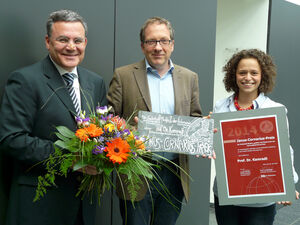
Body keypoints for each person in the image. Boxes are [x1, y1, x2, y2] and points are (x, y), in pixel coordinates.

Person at [0, 9, 107, 225]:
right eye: (62, 39)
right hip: (40, 205)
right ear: (48, 42)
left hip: (83, 207)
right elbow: (12, 139)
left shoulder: (95, 82)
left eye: (77, 40)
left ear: (85, 42)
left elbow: (101, 133)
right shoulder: (25, 80)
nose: (71, 46)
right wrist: (71, 159)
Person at [107, 16, 202, 225]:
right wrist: (132, 129)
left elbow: (194, 117)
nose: (158, 47)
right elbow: (108, 121)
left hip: (173, 172)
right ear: (142, 46)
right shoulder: (123, 75)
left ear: (172, 45)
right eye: (151, 41)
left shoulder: (189, 77)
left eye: (164, 40)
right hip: (135, 170)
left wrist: (202, 132)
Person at [213, 49, 299, 225]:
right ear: (234, 75)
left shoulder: (275, 110)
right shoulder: (220, 107)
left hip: (261, 198)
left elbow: (284, 150)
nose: (248, 77)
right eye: (242, 72)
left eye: (254, 73)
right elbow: (217, 147)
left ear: (263, 76)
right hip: (227, 194)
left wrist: (287, 185)